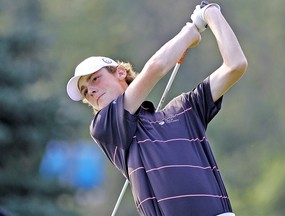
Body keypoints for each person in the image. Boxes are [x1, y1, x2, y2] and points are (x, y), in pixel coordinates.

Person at [66, 2, 247, 216]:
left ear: (121, 73)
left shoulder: (185, 109)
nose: (92, 91)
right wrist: (190, 32)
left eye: (95, 79)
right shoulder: (105, 128)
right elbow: (156, 68)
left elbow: (235, 65)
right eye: (86, 92)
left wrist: (211, 12)